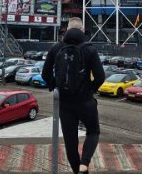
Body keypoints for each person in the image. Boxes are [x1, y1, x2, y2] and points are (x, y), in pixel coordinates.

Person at [42, 17, 105, 174]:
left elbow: (45, 74)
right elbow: (100, 77)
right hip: (85, 101)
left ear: (67, 30)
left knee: (71, 143)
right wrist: (89, 89)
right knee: (93, 131)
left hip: (64, 103)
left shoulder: (56, 48)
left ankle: (78, 171)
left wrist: (54, 86)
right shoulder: (90, 50)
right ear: (82, 31)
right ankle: (84, 163)